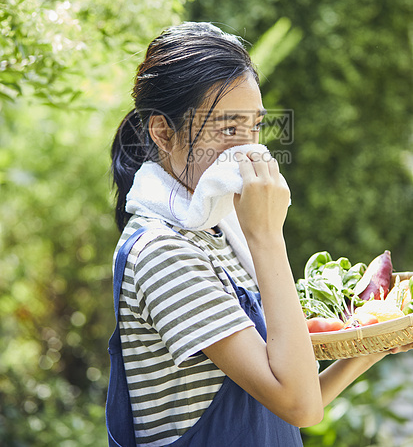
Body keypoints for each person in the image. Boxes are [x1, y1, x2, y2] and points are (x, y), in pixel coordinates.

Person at [109, 22, 410, 447]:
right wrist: (267, 236)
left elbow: (296, 401)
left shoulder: (217, 232)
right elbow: (298, 404)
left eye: (254, 129)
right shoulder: (162, 252)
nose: (248, 152)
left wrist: (376, 343)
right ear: (163, 132)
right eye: (229, 130)